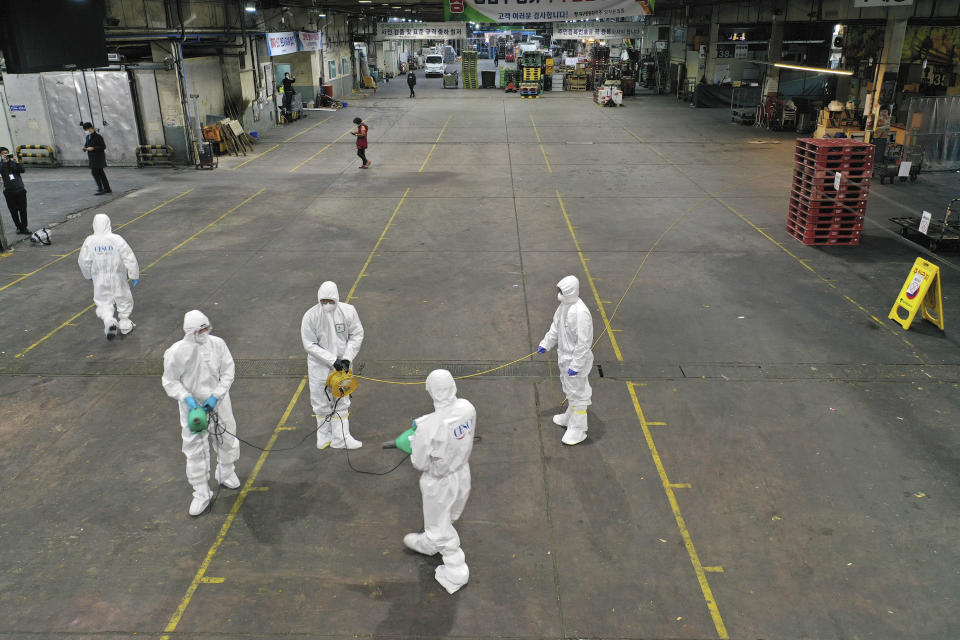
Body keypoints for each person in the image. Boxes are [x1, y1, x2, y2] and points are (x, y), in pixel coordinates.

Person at [403, 369, 476, 594]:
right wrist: (426, 423)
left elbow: (420, 462)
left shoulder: (428, 428)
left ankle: (456, 568)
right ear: (453, 386)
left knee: (438, 526)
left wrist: (417, 440)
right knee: (449, 516)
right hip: (462, 473)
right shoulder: (468, 407)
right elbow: (448, 422)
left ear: (431, 392)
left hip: (439, 482)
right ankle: (429, 544)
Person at [162, 310, 241, 516]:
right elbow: (170, 380)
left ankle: (226, 472)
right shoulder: (176, 352)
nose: (205, 332)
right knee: (195, 447)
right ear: (190, 332)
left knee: (227, 436)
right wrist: (187, 398)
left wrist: (217, 395)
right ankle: (201, 491)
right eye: (201, 330)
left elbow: (228, 371)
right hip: (193, 408)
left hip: (219, 402)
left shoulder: (218, 344)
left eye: (207, 328)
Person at [300, 281, 365, 449]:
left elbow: (357, 334)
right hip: (319, 367)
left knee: (342, 400)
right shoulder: (310, 316)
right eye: (323, 301)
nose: (327, 304)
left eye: (330, 301)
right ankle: (323, 436)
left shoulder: (348, 312)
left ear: (336, 299)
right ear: (318, 300)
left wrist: (347, 358)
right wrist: (331, 360)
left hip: (343, 366)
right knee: (320, 401)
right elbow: (309, 344)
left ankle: (341, 438)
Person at [537, 275, 594, 445]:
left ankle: (578, 429)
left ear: (570, 291)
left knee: (579, 394)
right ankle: (570, 416)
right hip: (564, 357)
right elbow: (556, 327)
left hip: (576, 361)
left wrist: (576, 365)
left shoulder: (581, 313)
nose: (559, 294)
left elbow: (584, 343)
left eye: (562, 291)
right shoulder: (564, 307)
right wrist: (546, 344)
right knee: (570, 389)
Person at [77, 213, 139, 339]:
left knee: (103, 301)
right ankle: (125, 323)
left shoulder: (90, 241)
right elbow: (129, 257)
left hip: (99, 277)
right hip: (117, 276)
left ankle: (109, 321)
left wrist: (88, 274)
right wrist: (133, 274)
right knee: (123, 297)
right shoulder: (116, 239)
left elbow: (83, 261)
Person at [0, 147, 29, 235]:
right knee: (13, 211)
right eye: (3, 153)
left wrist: (17, 162)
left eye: (7, 153)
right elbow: (3, 172)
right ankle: (18, 227)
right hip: (9, 191)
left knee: (23, 210)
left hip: (20, 189)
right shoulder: (1, 165)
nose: (6, 155)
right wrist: (4, 163)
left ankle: (24, 227)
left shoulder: (13, 162)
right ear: (0, 155)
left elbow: (22, 170)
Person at [82, 123, 111, 195]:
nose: (86, 131)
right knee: (101, 173)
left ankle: (100, 189)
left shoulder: (98, 137)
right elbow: (86, 145)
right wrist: (84, 148)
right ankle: (107, 188)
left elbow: (103, 147)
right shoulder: (88, 137)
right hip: (92, 158)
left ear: (90, 128)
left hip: (98, 158)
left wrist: (93, 148)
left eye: (86, 129)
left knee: (95, 173)